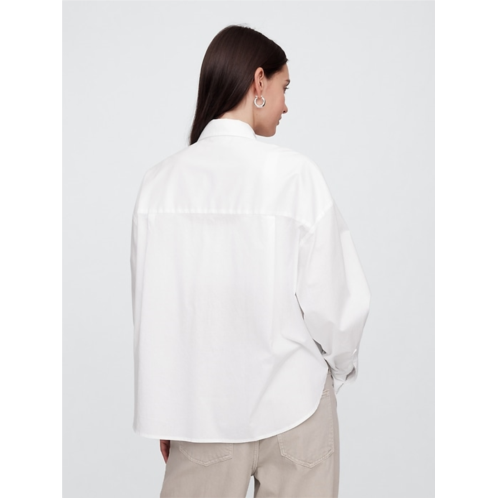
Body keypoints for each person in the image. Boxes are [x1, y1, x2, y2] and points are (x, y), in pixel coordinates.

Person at [130, 25, 370, 498]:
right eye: (284, 88)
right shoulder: (295, 175)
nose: (286, 105)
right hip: (296, 403)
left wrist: (168, 409)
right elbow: (337, 306)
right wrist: (336, 372)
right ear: (258, 81)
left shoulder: (158, 185)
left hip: (201, 413)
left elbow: (152, 314)